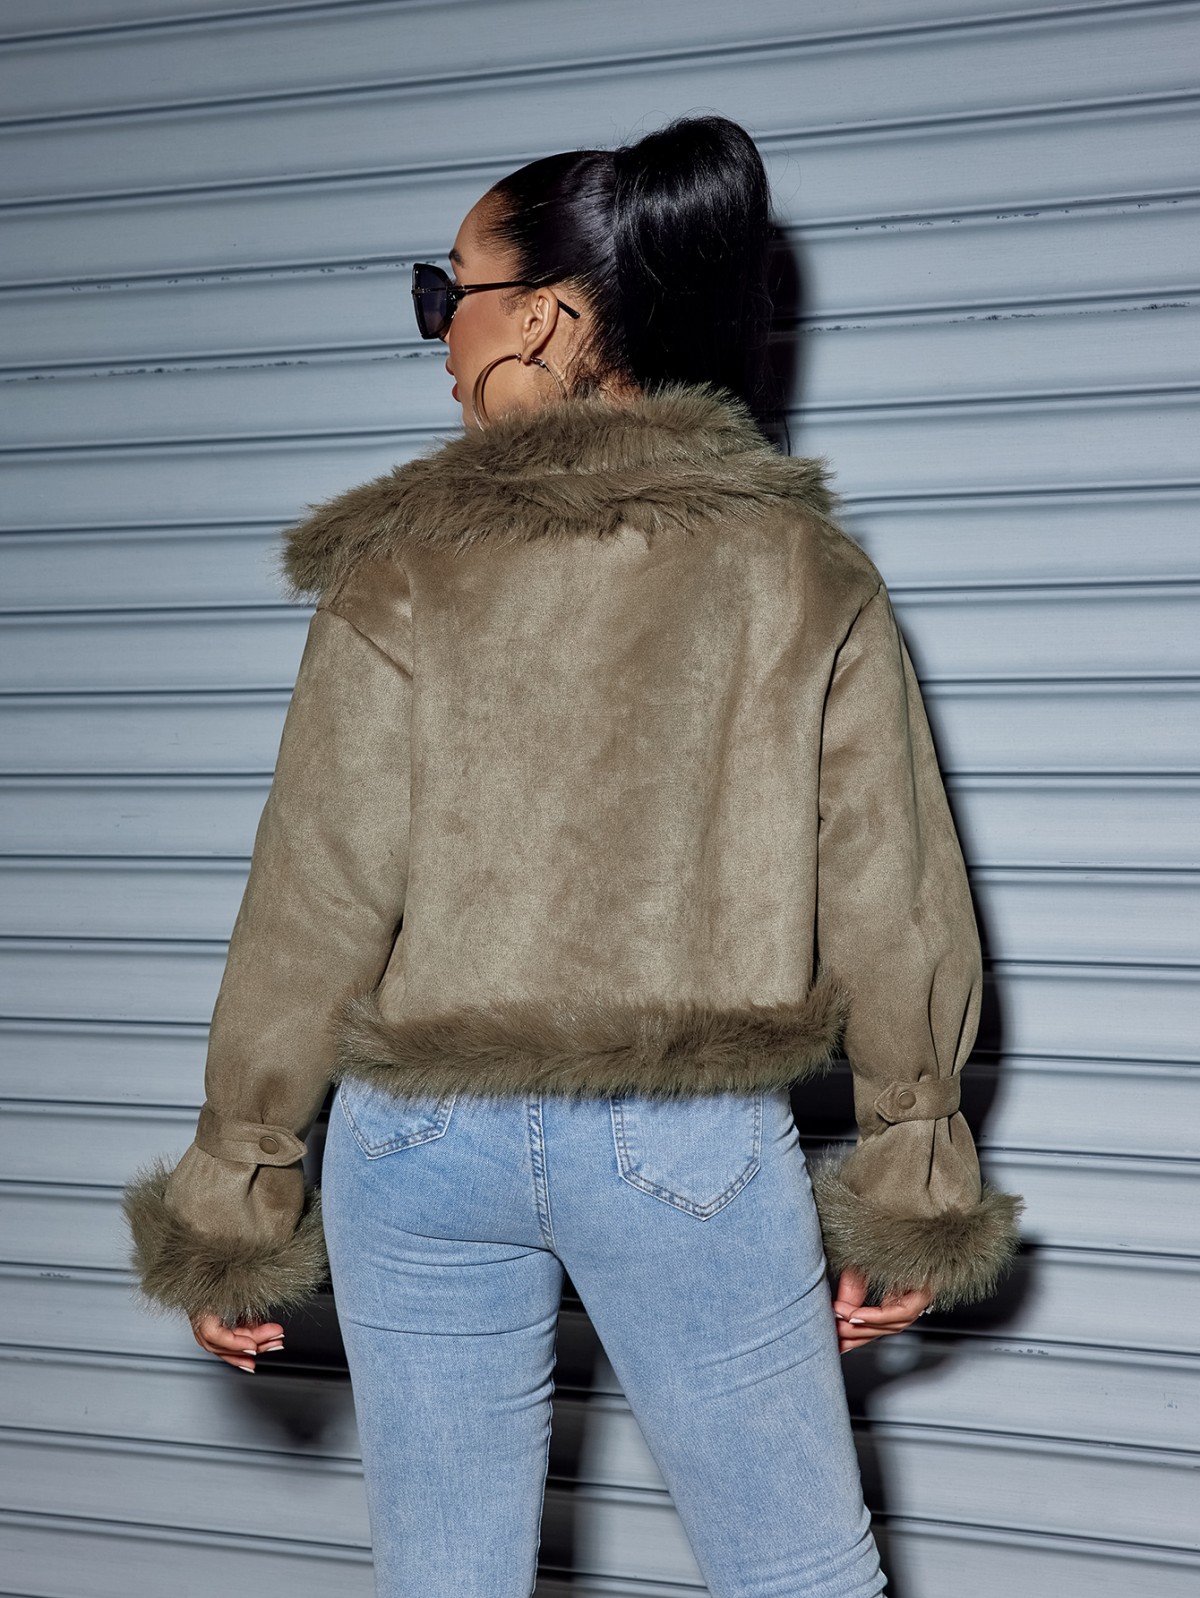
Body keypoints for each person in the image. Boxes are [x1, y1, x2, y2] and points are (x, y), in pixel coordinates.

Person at [124, 114, 1024, 1598]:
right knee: (799, 1574)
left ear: (540, 317)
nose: (437, 331)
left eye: (445, 292)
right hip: (679, 1140)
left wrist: (234, 1193)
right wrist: (912, 1174)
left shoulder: (398, 574)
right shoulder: (800, 572)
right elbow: (896, 899)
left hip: (416, 1143)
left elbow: (313, 901)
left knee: (447, 1580)